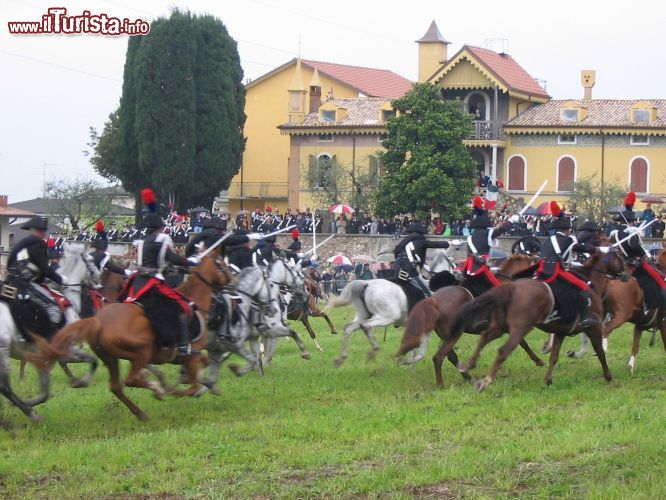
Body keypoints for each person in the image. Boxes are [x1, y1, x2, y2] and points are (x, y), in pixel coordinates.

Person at [121, 207, 202, 356]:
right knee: (183, 307)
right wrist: (192, 261)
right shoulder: (160, 241)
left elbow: (160, 262)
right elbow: (174, 259)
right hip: (153, 282)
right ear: (159, 228)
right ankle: (183, 345)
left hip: (138, 282)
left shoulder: (142, 241)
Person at [535, 202, 599, 328]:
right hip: (555, 270)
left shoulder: (549, 240)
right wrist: (597, 249)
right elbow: (581, 247)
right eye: (569, 229)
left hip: (542, 270)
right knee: (583, 286)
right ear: (566, 229)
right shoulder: (567, 240)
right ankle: (585, 318)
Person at [5, 216, 70, 336]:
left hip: (10, 282)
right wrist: (61, 279)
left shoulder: (22, 243)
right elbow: (45, 269)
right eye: (43, 231)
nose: (45, 234)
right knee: (54, 308)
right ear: (39, 231)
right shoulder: (38, 244)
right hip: (24, 285)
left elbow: (10, 262)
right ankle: (47, 340)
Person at [609, 192, 666, 310]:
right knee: (657, 277)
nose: (635, 222)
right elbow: (633, 245)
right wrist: (644, 254)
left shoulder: (615, 233)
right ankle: (657, 304)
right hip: (635, 263)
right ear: (630, 220)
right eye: (633, 220)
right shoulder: (630, 231)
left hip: (621, 263)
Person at [461, 196, 512, 295]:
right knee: (499, 290)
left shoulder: (471, 237)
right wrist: (511, 221)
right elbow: (501, 230)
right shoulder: (487, 233)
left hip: (468, 268)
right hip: (481, 269)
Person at [393, 221, 450, 297]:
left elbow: (396, 252)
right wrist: (449, 243)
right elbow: (436, 244)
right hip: (409, 273)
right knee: (427, 292)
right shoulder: (421, 241)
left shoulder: (405, 242)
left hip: (398, 271)